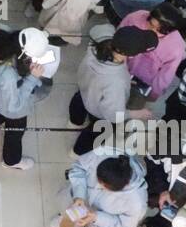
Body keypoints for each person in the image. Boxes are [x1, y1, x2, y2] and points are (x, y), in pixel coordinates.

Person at [68, 24, 159, 155]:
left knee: (79, 102)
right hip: (99, 110)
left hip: (85, 88)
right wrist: (137, 114)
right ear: (130, 54)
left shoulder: (100, 39)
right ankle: (76, 152)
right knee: (99, 130)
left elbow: (97, 28)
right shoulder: (117, 81)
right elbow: (113, 115)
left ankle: (74, 123)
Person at [0, 27, 54, 170]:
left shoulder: (2, 42)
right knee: (15, 132)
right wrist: (32, 78)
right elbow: (13, 106)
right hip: (10, 107)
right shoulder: (9, 76)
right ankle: (11, 160)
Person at [61, 149, 149, 227]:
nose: (98, 186)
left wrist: (97, 217)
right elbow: (78, 168)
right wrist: (79, 195)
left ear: (123, 186)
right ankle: (62, 220)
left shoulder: (136, 203)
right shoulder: (102, 153)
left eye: (104, 186)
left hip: (101, 226)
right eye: (97, 179)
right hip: (78, 203)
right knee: (66, 223)